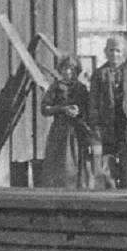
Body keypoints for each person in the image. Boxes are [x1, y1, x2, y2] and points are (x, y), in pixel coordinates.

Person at [88, 36, 127, 189]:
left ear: (124, 53)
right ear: (105, 52)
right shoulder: (99, 74)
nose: (114, 54)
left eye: (118, 50)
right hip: (106, 123)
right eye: (111, 50)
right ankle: (111, 194)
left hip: (126, 122)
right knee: (107, 161)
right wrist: (95, 124)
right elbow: (93, 102)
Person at [38, 55, 92, 189]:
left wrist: (78, 111)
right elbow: (45, 109)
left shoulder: (82, 88)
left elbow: (89, 110)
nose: (67, 72)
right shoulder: (55, 87)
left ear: (77, 71)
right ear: (60, 70)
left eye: (71, 69)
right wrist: (62, 109)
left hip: (76, 131)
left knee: (75, 164)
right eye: (64, 68)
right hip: (59, 131)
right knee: (58, 164)